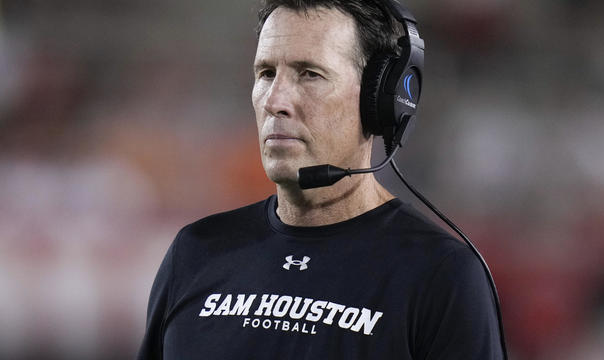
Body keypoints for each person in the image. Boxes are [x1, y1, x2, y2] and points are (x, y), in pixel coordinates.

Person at [137, 0, 504, 359]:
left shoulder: (442, 275)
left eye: (309, 74)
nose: (275, 101)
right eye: (266, 74)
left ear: (380, 100)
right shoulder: (196, 252)